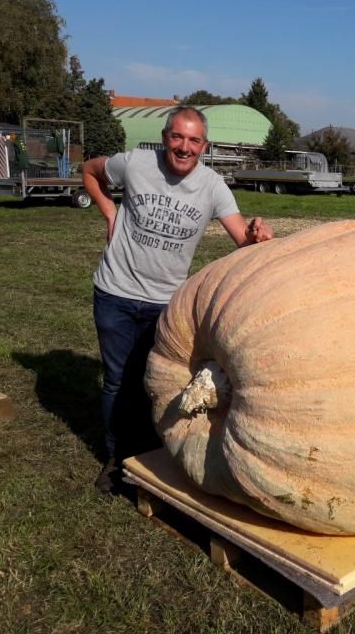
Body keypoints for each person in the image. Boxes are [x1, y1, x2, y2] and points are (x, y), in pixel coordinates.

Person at [81, 106, 273, 494]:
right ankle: (117, 459)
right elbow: (89, 170)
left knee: (156, 380)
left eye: (193, 140)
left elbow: (243, 241)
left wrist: (258, 233)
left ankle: (153, 451)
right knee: (118, 381)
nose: (184, 147)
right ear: (165, 136)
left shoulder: (213, 186)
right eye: (177, 137)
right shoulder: (135, 163)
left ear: (204, 145)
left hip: (167, 303)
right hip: (115, 293)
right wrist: (109, 213)